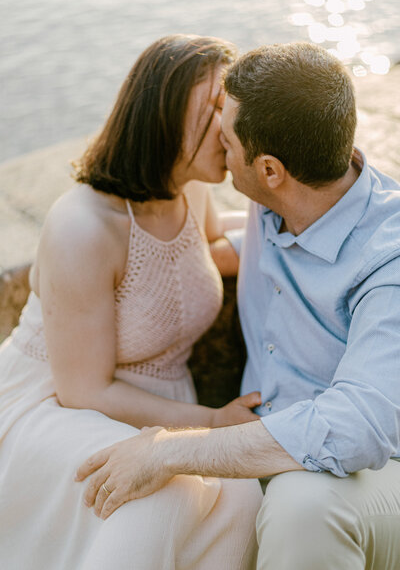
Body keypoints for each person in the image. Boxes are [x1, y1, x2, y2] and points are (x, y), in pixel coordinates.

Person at [77, 42, 400, 570]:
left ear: (270, 170)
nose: (218, 152)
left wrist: (171, 449)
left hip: (381, 475)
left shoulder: (391, 262)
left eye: (226, 141)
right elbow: (276, 245)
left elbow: (359, 428)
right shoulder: (284, 197)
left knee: (304, 505)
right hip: (262, 455)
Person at [0, 34, 264, 570]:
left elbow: (210, 250)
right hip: (53, 405)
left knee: (241, 495)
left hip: (158, 406)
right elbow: (84, 388)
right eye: (217, 106)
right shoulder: (83, 227)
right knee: (165, 495)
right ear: (162, 113)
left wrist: (307, 221)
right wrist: (212, 424)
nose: (231, 122)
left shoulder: (189, 189)